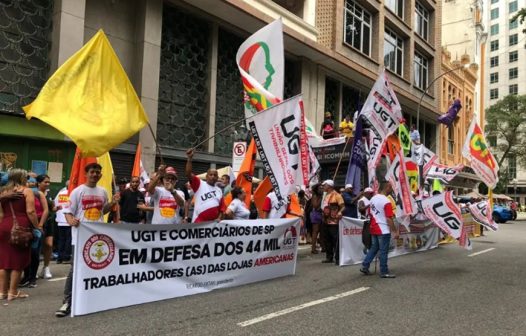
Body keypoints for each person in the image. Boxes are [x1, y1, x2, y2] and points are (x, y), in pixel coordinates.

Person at [55, 163, 119, 317]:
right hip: (80, 237)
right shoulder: (78, 192)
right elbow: (68, 212)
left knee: (98, 267)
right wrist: (71, 220)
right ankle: (67, 302)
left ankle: (93, 299)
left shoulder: (103, 191)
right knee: (75, 269)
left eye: (98, 172)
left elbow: (102, 210)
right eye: (92, 172)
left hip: (97, 237)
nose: (95, 175)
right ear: (86, 174)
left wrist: (113, 202)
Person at [0, 169, 38, 303]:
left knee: (4, 262)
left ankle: (2, 292)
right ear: (21, 177)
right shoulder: (26, 191)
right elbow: (31, 211)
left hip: (4, 225)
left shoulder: (3, 192)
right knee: (17, 262)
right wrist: (37, 226)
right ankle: (13, 292)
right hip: (20, 226)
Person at [360, 181, 399, 278]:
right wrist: (394, 231)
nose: (391, 189)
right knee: (383, 251)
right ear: (386, 187)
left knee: (374, 248)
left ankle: (365, 266)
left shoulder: (373, 198)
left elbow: (369, 212)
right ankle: (384, 271)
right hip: (383, 229)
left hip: (373, 227)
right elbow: (389, 218)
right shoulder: (386, 201)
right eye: (390, 187)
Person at [20, 175, 49, 288]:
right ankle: (26, 276)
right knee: (26, 252)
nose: (31, 183)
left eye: (32, 181)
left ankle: (32, 278)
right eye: (28, 181)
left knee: (35, 252)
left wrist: (40, 225)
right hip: (25, 226)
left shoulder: (38, 194)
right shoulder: (23, 192)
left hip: (38, 225)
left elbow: (46, 210)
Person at [185, 149, 225, 222]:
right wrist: (189, 159)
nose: (213, 176)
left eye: (215, 175)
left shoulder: (219, 190)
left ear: (217, 178)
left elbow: (222, 209)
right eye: (211, 175)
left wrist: (219, 218)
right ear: (206, 176)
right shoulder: (199, 184)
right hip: (198, 223)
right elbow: (188, 174)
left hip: (212, 226)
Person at [320, 179, 344, 265]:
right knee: (327, 239)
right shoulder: (325, 195)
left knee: (335, 240)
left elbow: (343, 206)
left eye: (324, 185)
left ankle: (338, 258)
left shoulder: (337, 195)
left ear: (329, 186)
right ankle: (329, 257)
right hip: (325, 220)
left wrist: (340, 212)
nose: (323, 187)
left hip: (334, 221)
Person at [37, 175, 55, 280]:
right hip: (38, 222)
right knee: (36, 247)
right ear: (38, 183)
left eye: (49, 182)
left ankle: (46, 267)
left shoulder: (50, 193)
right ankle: (33, 269)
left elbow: (52, 207)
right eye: (45, 182)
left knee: (49, 244)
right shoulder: (33, 193)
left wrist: (56, 208)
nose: (48, 184)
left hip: (49, 221)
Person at [54, 181, 71, 264]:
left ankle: (59, 257)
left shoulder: (61, 193)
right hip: (69, 220)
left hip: (60, 220)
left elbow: (55, 204)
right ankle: (66, 257)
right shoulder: (73, 194)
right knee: (69, 240)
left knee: (61, 240)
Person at [309, 183, 323, 254]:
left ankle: (322, 246)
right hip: (316, 214)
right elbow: (315, 206)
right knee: (315, 232)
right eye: (320, 188)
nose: (321, 189)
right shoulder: (315, 196)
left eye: (322, 188)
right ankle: (313, 248)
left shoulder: (321, 195)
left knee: (321, 231)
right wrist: (321, 199)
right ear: (316, 189)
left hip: (320, 214)